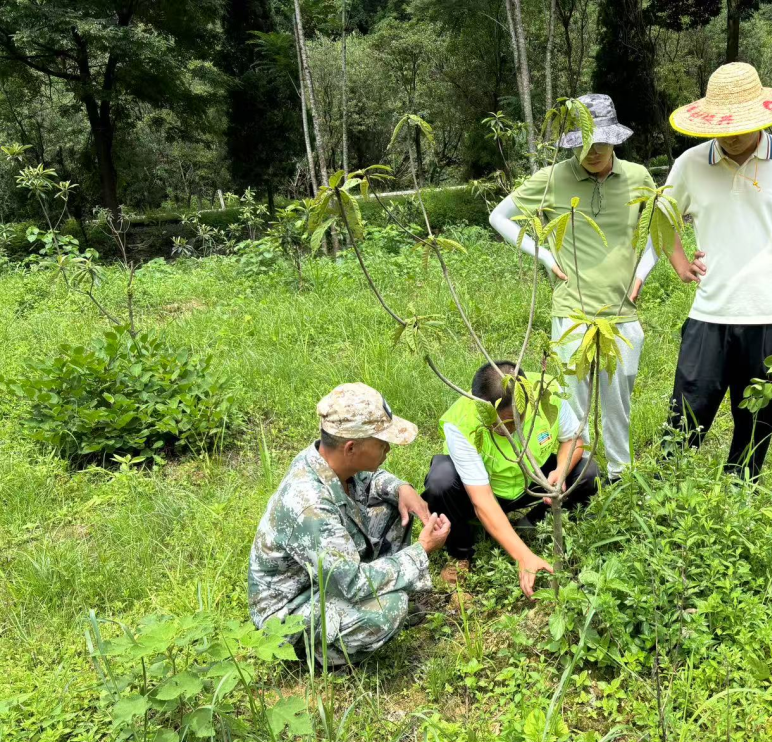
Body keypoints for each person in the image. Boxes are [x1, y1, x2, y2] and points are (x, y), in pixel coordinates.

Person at [663, 62, 772, 479]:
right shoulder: (690, 163)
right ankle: (663, 494)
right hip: (710, 312)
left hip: (771, 315)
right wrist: (678, 260)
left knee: (756, 419)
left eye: (741, 124)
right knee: (686, 413)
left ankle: (741, 494)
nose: (732, 135)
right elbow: (660, 217)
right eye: (725, 125)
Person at [489, 93, 658, 482]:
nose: (592, 152)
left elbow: (653, 231)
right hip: (572, 311)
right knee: (572, 405)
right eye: (583, 143)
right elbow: (500, 216)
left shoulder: (637, 177)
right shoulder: (552, 178)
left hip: (621, 310)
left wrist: (642, 271)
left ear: (614, 138)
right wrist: (546, 255)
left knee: (618, 400)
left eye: (600, 142)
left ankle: (620, 475)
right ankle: (576, 476)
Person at [248, 382, 451, 668]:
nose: (388, 449)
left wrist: (400, 488)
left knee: (393, 503)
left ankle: (387, 587)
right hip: (289, 612)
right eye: (382, 443)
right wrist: (422, 550)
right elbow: (353, 583)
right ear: (351, 447)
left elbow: (370, 481)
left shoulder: (328, 459)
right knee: (389, 609)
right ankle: (318, 656)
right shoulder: (310, 507)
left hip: (324, 580)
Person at [422, 361, 599, 597]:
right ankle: (460, 553)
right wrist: (524, 556)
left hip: (533, 478)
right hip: (484, 488)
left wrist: (561, 471)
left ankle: (529, 523)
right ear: (480, 408)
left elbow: (573, 439)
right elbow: (481, 499)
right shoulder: (462, 421)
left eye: (514, 420)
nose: (507, 430)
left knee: (587, 474)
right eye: (498, 424)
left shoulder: (547, 394)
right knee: (440, 480)